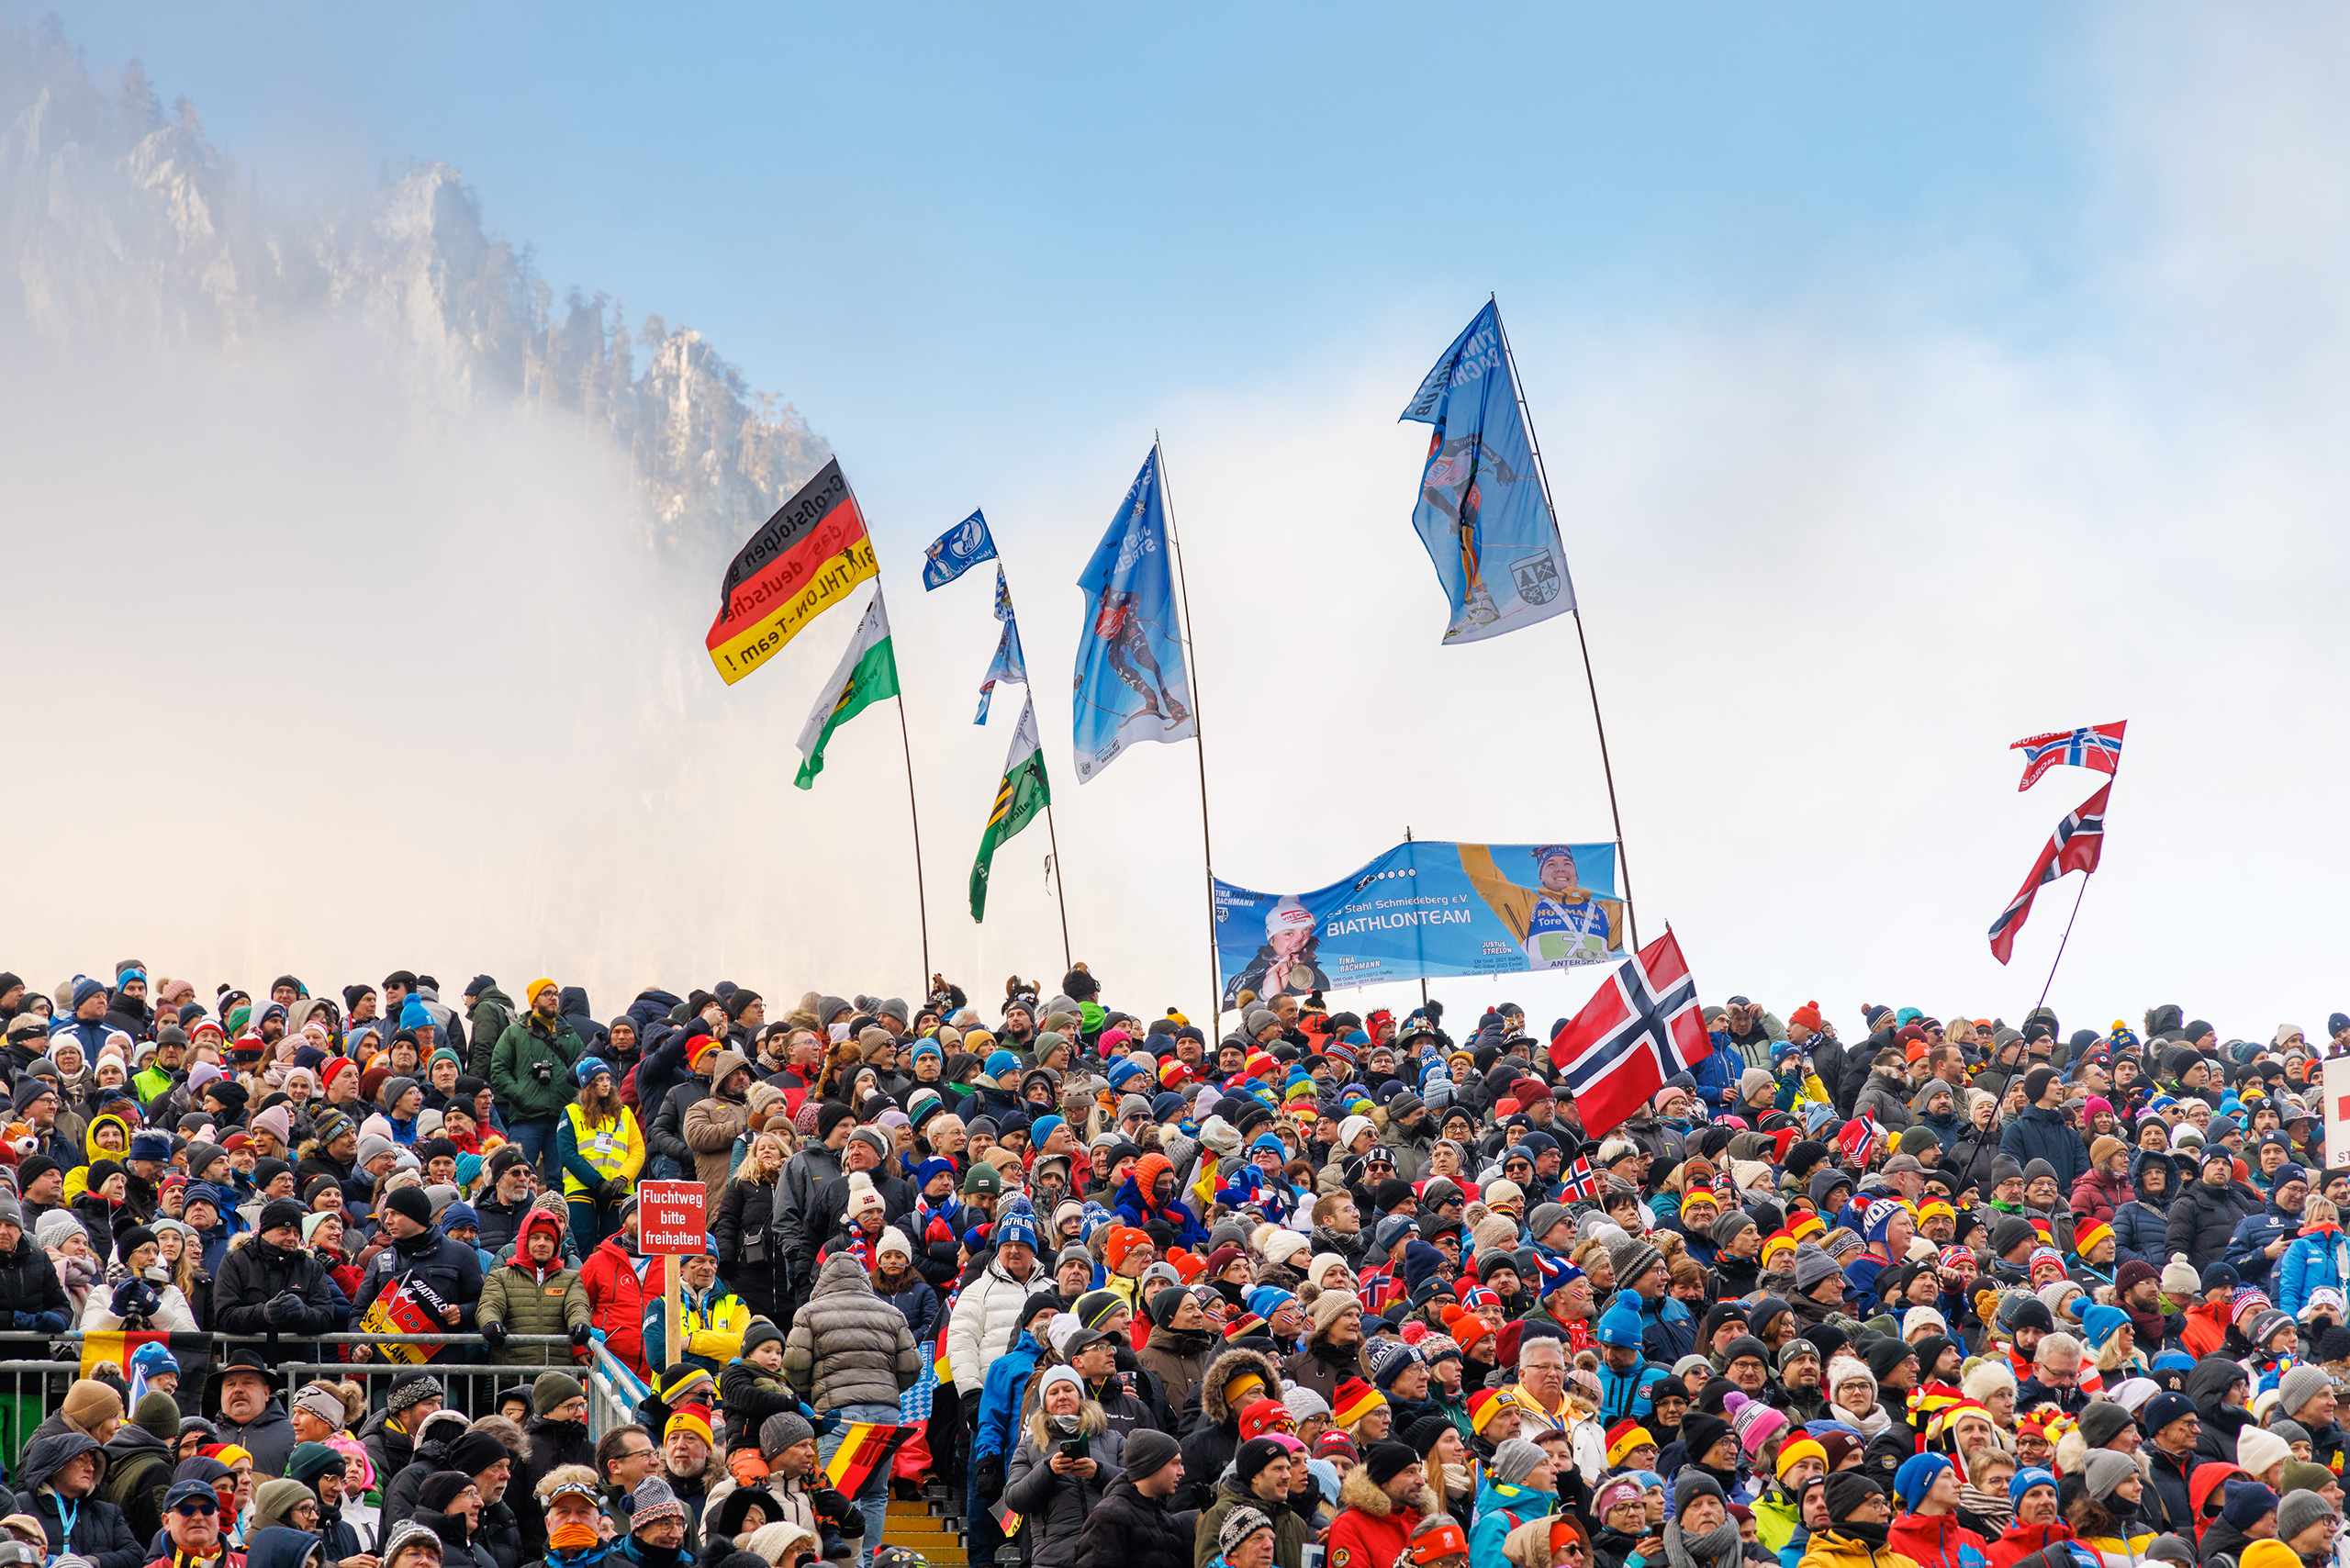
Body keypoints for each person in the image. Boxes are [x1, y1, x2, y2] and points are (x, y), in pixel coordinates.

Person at [782, 1256, 919, 1567]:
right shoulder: (891, 1313)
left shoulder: (810, 1313)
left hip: (840, 1416)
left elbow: (793, 1365)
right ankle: (868, 1561)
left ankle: (849, 1563)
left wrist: (814, 1391)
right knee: (875, 1494)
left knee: (842, 1494)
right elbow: (912, 1367)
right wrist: (887, 1391)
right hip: (886, 1416)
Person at [1004, 1365, 1121, 1568]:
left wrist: (1098, 1472)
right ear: (1044, 1402)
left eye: (1068, 1390)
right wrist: (1048, 1470)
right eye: (1053, 1392)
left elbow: (1139, 1482)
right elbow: (1014, 1499)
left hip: (1109, 1553)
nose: (1062, 1397)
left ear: (1080, 1395)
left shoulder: (1113, 1439)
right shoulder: (1029, 1447)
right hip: (1053, 1558)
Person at [13, 1430, 142, 1568]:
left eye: (93, 1463)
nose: (91, 1468)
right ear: (56, 1466)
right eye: (81, 1460)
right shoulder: (21, 1507)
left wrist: (91, 1562)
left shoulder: (109, 1513)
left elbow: (136, 1555)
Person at [477, 1209, 592, 1364]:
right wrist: (490, 1322)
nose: (542, 1243)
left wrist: (580, 1323)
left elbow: (577, 1306)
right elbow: (490, 1305)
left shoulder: (571, 1278)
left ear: (556, 1244)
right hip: (512, 1372)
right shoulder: (500, 1277)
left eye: (549, 1238)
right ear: (525, 1241)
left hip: (557, 1374)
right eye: (535, 1237)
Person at [555, 1058, 642, 1254]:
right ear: (587, 1085)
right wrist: (596, 1181)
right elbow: (567, 1154)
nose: (606, 1084)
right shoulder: (571, 1112)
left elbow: (637, 1150)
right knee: (580, 1241)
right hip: (582, 1186)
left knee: (618, 1244)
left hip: (618, 1187)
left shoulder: (625, 1113)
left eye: (608, 1078)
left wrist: (623, 1177)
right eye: (599, 1080)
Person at [1076, 1428, 1192, 1568]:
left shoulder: (1168, 1522)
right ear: (1152, 1465)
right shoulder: (1109, 1517)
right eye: (1175, 1463)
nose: (1182, 1472)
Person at [1327, 1441, 1431, 1568]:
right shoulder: (1349, 1525)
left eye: (1419, 1471)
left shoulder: (1426, 1522)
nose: (1421, 1481)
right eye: (1410, 1472)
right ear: (1383, 1480)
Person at [142, 1476, 243, 1568]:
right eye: (186, 1510)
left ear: (218, 1518)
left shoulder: (246, 1564)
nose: (198, 1517)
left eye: (207, 1509)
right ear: (166, 1521)